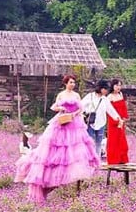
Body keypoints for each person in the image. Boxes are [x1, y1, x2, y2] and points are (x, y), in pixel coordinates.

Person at [14, 74, 100, 203]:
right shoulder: (61, 95)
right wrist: (61, 109)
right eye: (70, 82)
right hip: (62, 122)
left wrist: (74, 114)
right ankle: (50, 180)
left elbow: (80, 108)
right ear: (66, 83)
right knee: (56, 147)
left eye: (74, 82)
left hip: (74, 124)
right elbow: (53, 107)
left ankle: (71, 179)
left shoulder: (76, 95)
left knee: (74, 147)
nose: (72, 84)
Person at [81, 80, 121, 159]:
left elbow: (110, 110)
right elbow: (81, 105)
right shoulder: (90, 96)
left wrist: (117, 118)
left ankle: (97, 160)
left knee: (99, 143)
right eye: (105, 89)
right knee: (90, 142)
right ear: (101, 88)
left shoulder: (104, 99)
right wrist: (81, 115)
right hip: (91, 123)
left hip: (101, 123)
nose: (106, 91)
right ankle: (89, 159)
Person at [106, 78, 129, 164]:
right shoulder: (109, 97)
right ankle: (113, 159)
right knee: (113, 140)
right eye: (117, 85)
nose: (118, 87)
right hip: (113, 122)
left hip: (121, 121)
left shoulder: (120, 95)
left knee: (121, 139)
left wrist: (123, 118)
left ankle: (121, 159)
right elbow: (109, 110)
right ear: (113, 86)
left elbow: (123, 108)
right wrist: (116, 120)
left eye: (120, 85)